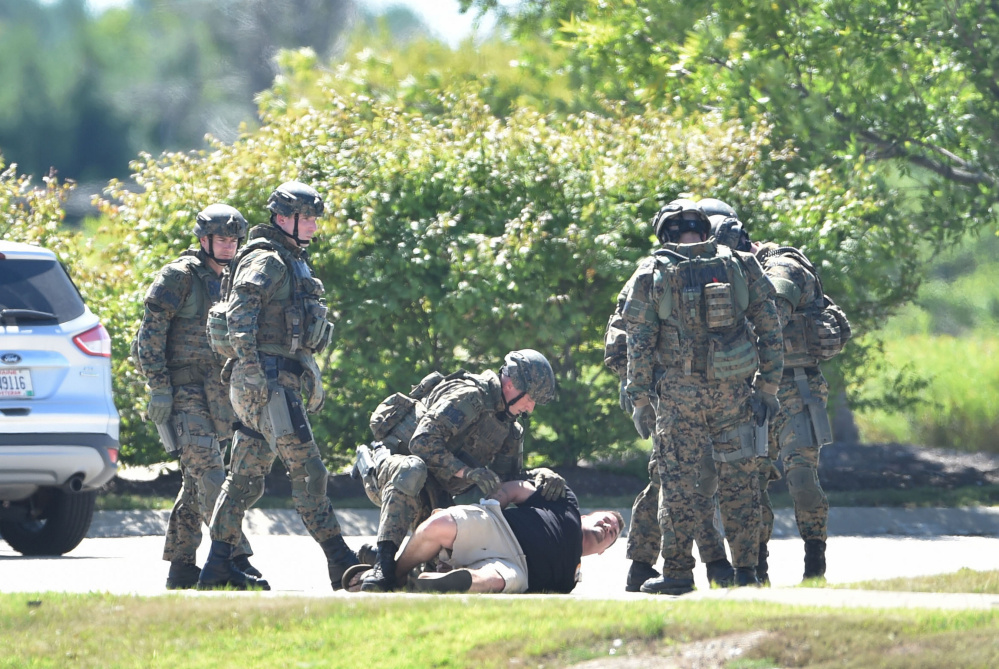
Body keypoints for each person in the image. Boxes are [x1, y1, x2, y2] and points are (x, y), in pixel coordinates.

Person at [198, 181, 356, 590]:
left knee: (244, 479)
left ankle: (216, 567)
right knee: (309, 472)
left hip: (269, 382)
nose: (314, 226)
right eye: (308, 218)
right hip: (267, 385)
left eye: (315, 219)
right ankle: (341, 561)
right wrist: (253, 370)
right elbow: (240, 312)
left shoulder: (288, 258)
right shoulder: (268, 260)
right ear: (283, 218)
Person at [622, 198, 784, 595]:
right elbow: (770, 326)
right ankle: (746, 572)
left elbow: (638, 343)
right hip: (734, 394)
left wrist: (640, 399)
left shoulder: (652, 272)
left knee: (678, 486)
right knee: (740, 483)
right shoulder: (740, 263)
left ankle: (678, 573)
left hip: (680, 400)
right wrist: (767, 387)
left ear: (664, 234)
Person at [708, 208, 849, 582]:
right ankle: (758, 570)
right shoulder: (735, 274)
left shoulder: (783, 265)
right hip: (750, 391)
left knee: (801, 479)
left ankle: (814, 565)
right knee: (750, 485)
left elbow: (771, 317)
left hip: (795, 389)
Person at [355, 349, 565, 593]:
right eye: (530, 398)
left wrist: (541, 476)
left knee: (444, 566)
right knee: (412, 469)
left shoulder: (510, 429)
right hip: (391, 474)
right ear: (511, 384)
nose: (530, 407)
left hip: (431, 491)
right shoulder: (469, 396)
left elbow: (508, 481)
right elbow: (422, 442)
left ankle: (388, 566)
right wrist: (467, 472)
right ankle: (382, 565)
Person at [131, 203, 260, 590]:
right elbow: (149, 336)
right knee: (210, 475)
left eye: (234, 240)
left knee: (195, 484)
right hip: (182, 392)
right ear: (204, 240)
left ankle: (182, 566)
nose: (229, 246)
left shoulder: (233, 279)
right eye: (222, 239)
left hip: (216, 396)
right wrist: (158, 387)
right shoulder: (179, 275)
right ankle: (235, 558)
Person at [604, 268, 732, 593]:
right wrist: (635, 384)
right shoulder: (654, 272)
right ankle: (712, 563)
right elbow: (622, 329)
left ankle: (644, 564)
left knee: (674, 476)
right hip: (669, 390)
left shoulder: (719, 265)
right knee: (680, 476)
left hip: (712, 390)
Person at [347, 480, 623, 594]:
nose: (608, 527)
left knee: (491, 581)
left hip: (518, 569)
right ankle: (393, 575)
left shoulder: (571, 579)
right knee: (439, 524)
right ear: (587, 516)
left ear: (604, 550)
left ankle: (429, 582)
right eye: (606, 519)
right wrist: (492, 506)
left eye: (613, 533)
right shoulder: (566, 503)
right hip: (499, 527)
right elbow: (516, 489)